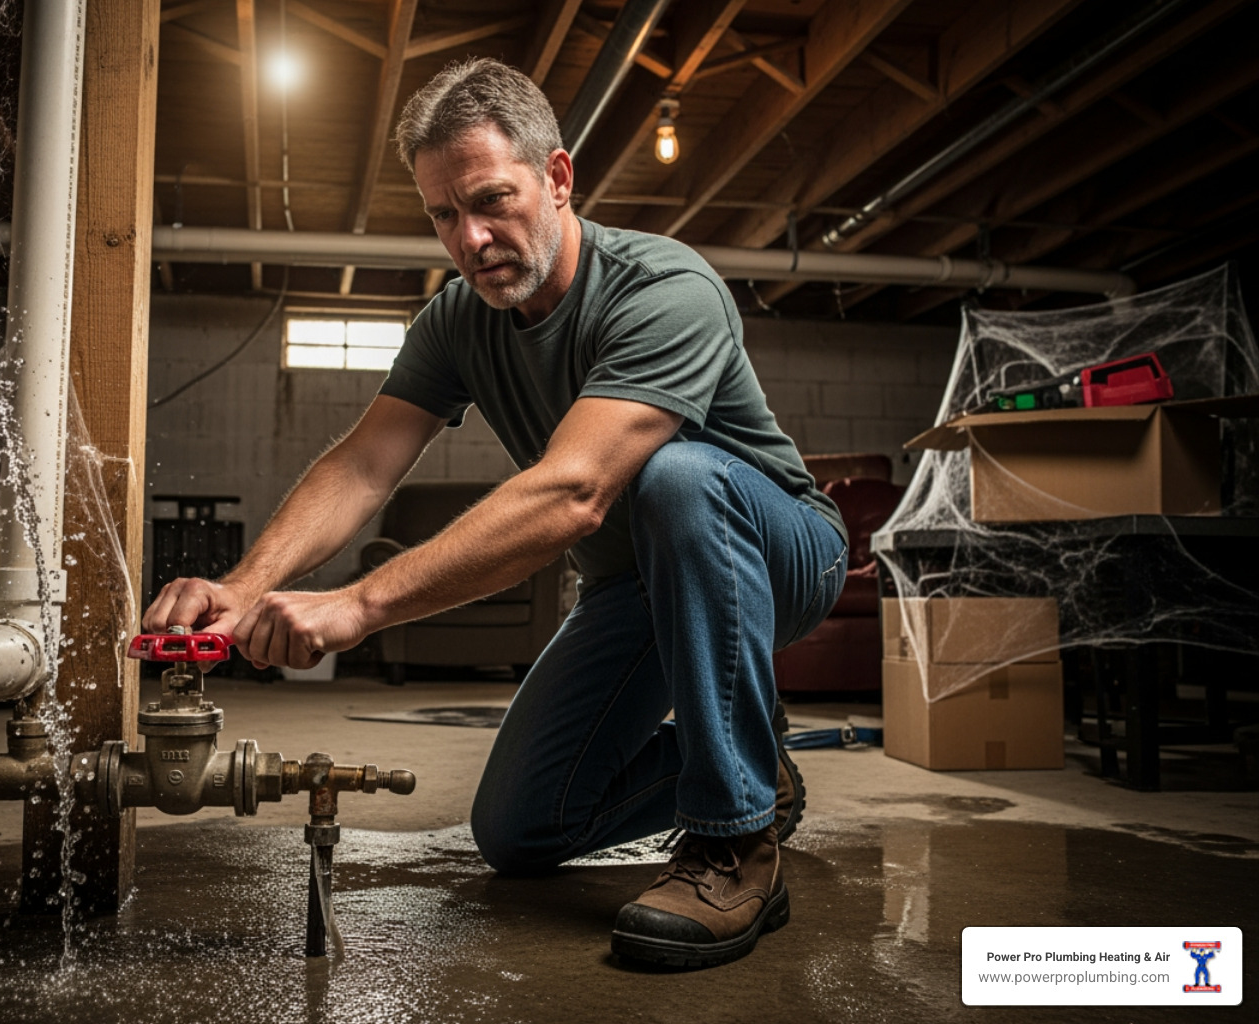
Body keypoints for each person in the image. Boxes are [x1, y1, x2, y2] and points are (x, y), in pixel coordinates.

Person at [143, 58, 847, 969]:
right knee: (520, 828)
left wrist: (354, 607)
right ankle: (759, 771)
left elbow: (575, 491)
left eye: (492, 200)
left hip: (779, 552)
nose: (471, 239)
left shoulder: (666, 289)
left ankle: (734, 840)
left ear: (557, 178)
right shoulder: (456, 322)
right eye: (443, 214)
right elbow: (364, 463)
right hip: (635, 585)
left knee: (676, 478)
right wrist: (244, 587)